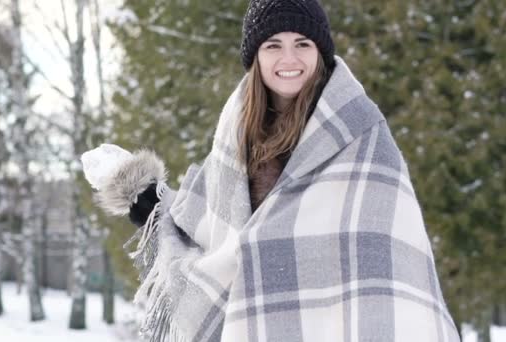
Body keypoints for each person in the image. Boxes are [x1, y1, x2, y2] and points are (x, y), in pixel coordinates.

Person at [93, 0, 461, 341]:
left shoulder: (362, 136)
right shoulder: (236, 138)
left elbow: (387, 256)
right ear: (256, 57)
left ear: (320, 52)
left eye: (302, 43)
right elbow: (206, 230)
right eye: (273, 45)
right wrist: (145, 199)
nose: (289, 57)